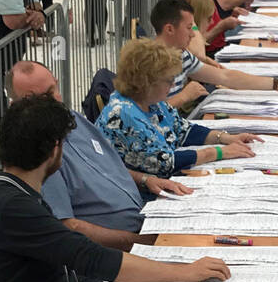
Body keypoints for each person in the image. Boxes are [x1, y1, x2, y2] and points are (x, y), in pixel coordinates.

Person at [0, 94, 232, 282]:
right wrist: (185, 272)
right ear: (55, 149)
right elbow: (92, 257)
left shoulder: (11, 193)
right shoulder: (13, 208)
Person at [6, 59, 194, 247]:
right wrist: (142, 243)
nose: (54, 100)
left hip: (144, 218)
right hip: (117, 249)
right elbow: (68, 228)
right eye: (43, 97)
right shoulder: (37, 154)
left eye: (52, 90)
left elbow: (106, 167)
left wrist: (146, 180)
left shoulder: (73, 119)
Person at [98, 38, 256, 178]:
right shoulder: (124, 115)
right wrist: (219, 152)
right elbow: (165, 164)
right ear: (147, 82)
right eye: (168, 80)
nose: (173, 85)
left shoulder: (150, 100)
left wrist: (226, 138)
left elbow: (181, 130)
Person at [150, 0, 278, 112]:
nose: (193, 34)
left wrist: (274, 83)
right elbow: (145, 113)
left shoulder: (182, 55)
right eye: (189, 28)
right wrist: (183, 97)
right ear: (169, 29)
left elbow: (225, 76)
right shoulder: (148, 63)